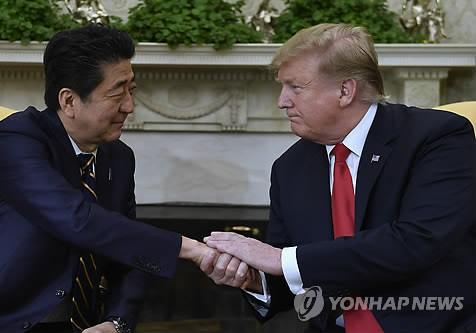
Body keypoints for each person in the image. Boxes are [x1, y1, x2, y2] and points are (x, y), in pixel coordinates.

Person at [202, 23, 475, 332]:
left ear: (345, 91)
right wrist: (254, 279)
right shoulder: (289, 167)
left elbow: (416, 242)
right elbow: (290, 272)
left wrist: (280, 260)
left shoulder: (436, 137)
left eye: (296, 87)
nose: (282, 101)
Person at [0, 24, 216, 333]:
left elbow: (127, 256)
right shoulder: (17, 137)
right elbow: (75, 218)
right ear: (69, 101)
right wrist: (190, 249)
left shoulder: (118, 156)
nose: (129, 105)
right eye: (117, 92)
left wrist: (116, 323)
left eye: (132, 89)